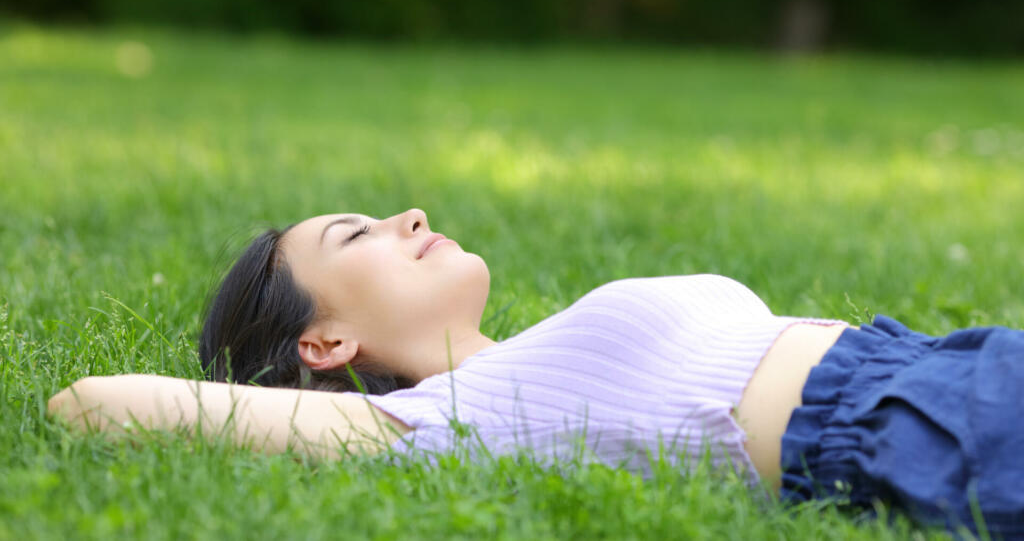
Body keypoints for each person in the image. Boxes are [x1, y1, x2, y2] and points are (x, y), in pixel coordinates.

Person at [48, 209, 1024, 537]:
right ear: (324, 343)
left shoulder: (517, 361)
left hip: (949, 367)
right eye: (359, 233)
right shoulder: (441, 422)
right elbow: (88, 404)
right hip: (916, 420)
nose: (411, 217)